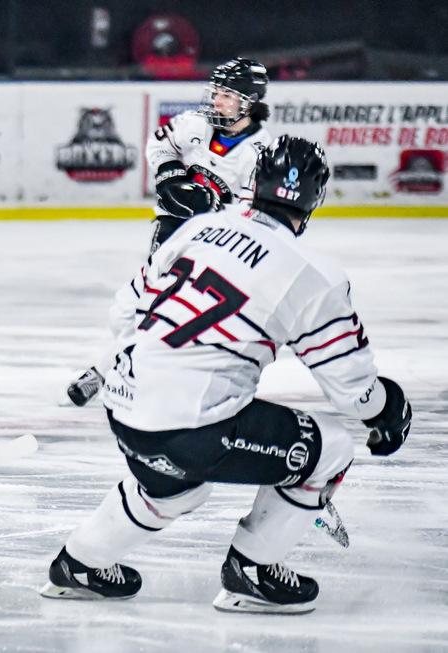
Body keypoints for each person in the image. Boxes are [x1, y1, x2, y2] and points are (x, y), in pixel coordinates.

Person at [40, 136, 412, 613]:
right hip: (192, 428)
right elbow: (352, 391)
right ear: (314, 200)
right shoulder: (313, 275)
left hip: (124, 403)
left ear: (254, 183)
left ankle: (79, 563)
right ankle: (252, 571)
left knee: (174, 490)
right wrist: (389, 408)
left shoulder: (200, 227)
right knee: (332, 447)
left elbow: (125, 312)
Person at [66, 57, 274, 407]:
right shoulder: (194, 123)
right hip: (171, 229)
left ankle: (111, 375)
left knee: (163, 312)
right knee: (129, 308)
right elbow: (159, 144)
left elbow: (253, 215)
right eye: (216, 93)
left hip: (213, 247)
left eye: (226, 95)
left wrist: (213, 210)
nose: (216, 101)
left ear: (249, 102)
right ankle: (114, 369)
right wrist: (170, 175)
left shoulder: (260, 154)